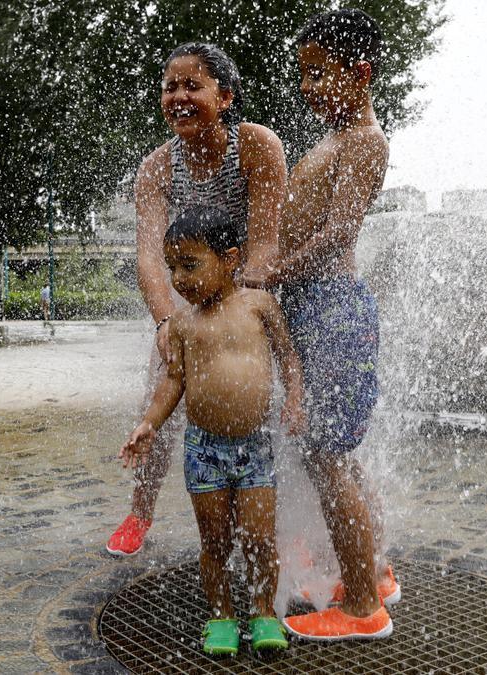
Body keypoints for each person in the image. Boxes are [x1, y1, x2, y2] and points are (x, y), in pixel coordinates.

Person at [106, 43, 287, 556]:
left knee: (263, 403)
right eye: (170, 87)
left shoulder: (256, 146)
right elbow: (148, 257)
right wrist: (166, 322)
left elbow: (267, 239)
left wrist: (240, 308)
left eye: (193, 86)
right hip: (184, 304)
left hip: (251, 293)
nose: (179, 96)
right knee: (157, 397)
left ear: (224, 96)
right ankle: (140, 512)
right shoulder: (157, 168)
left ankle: (282, 525)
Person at [120, 206, 305, 655]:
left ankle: (263, 611)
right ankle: (221, 614)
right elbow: (173, 381)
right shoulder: (182, 324)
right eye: (173, 269)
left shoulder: (259, 305)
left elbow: (288, 358)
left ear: (229, 258)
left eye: (190, 264)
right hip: (204, 450)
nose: (179, 279)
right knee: (216, 541)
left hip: (254, 447)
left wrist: (296, 399)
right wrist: (149, 422)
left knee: (260, 537)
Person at [266, 8, 397, 641]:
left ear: (361, 72)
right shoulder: (336, 136)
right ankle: (373, 569)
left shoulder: (365, 141)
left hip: (332, 306)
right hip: (317, 305)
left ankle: (364, 608)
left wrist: (273, 275)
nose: (307, 87)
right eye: (303, 74)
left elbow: (341, 231)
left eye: (319, 74)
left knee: (327, 456)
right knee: (336, 453)